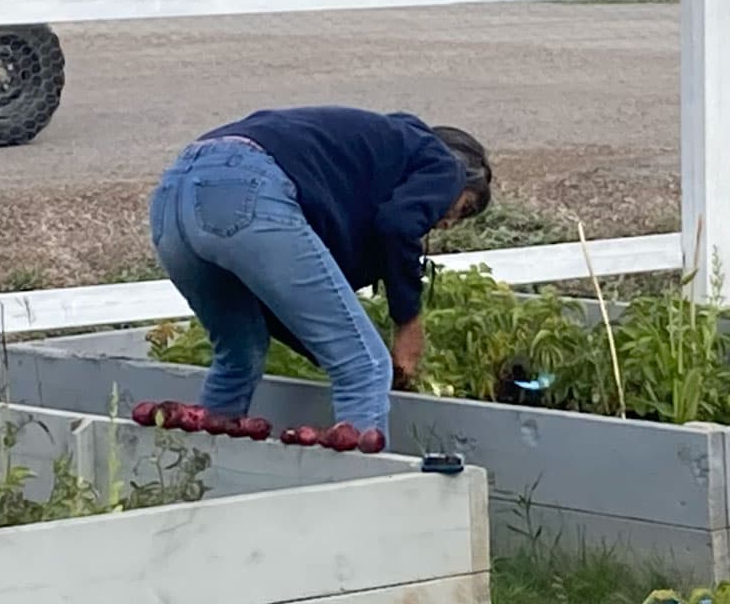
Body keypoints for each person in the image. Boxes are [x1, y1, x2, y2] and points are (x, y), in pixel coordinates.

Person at [152, 107, 493, 437]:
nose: (446, 223)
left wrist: (331, 348)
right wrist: (408, 323)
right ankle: (364, 493)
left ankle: (204, 477)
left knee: (240, 357)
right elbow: (399, 226)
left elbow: (274, 307)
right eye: (461, 208)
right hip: (249, 186)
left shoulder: (356, 163)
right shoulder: (444, 163)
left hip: (171, 198)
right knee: (366, 368)